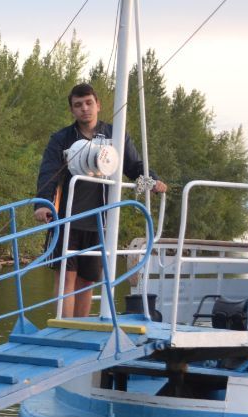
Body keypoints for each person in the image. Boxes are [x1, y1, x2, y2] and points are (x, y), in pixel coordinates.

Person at [34, 83, 167, 317]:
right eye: (78, 105)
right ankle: (62, 330)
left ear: (98, 105)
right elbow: (48, 173)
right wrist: (43, 204)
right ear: (72, 110)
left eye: (88, 103)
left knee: (87, 281)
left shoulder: (116, 136)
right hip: (67, 219)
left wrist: (152, 181)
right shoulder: (61, 139)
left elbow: (134, 166)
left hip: (101, 221)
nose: (84, 108)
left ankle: (80, 328)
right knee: (66, 277)